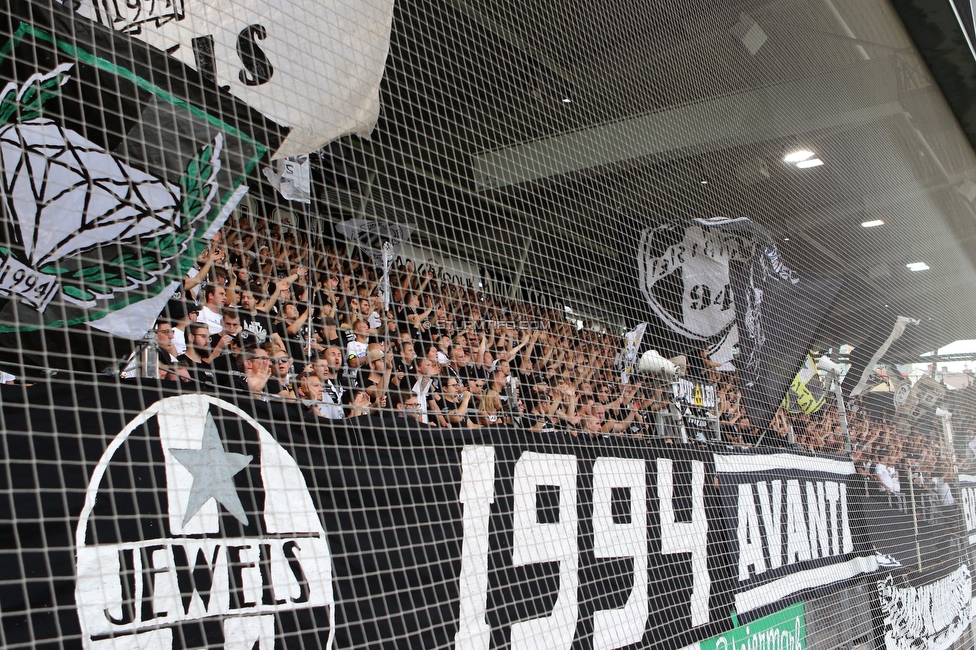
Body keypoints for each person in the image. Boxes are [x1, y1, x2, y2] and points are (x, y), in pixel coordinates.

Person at [178, 322, 217, 387]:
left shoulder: (209, 367)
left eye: (209, 338)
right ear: (191, 337)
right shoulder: (178, 362)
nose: (207, 341)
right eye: (203, 336)